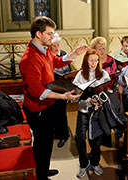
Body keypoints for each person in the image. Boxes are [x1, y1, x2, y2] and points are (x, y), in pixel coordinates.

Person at [19, 16, 89, 180]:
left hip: (47, 105)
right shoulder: (29, 59)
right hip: (37, 109)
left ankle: (43, 169)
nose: (52, 37)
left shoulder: (43, 50)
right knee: (42, 143)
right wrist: (63, 96)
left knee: (47, 140)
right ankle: (41, 175)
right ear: (38, 34)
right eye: (49, 34)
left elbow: (57, 62)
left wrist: (75, 53)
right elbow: (37, 91)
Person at [72, 49, 110, 178]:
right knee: (79, 137)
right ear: (86, 61)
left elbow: (108, 92)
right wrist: (79, 94)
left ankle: (95, 163)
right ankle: (83, 164)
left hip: (98, 110)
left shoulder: (103, 74)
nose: (93, 63)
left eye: (96, 60)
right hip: (83, 108)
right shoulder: (81, 74)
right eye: (91, 60)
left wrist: (101, 101)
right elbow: (75, 96)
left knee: (95, 140)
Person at [49, 32, 71, 148]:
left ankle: (63, 135)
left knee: (61, 113)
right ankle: (54, 133)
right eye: (54, 46)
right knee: (52, 112)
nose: (57, 48)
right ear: (50, 47)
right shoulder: (48, 55)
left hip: (62, 88)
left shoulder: (64, 54)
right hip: (51, 88)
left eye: (58, 45)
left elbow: (68, 69)